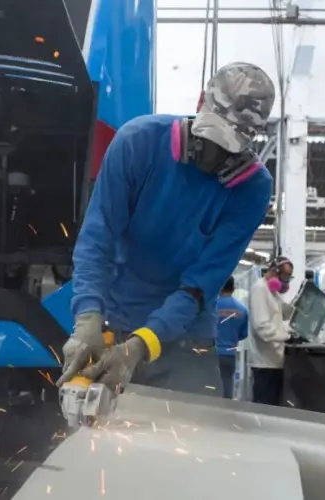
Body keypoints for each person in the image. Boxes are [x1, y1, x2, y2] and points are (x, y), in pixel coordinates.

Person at [55, 62, 275, 395]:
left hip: (188, 334)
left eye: (227, 147)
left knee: (196, 437)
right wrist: (87, 319)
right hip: (115, 318)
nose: (211, 157)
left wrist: (139, 347)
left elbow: (200, 287)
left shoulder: (252, 189)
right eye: (210, 136)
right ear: (200, 102)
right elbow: (96, 241)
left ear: (252, 138)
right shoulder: (138, 143)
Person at [245, 256, 295, 406]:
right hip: (264, 362)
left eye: (289, 278)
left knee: (272, 406)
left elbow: (282, 314)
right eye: (285, 277)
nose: (286, 282)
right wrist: (286, 336)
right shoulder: (260, 289)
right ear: (274, 272)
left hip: (274, 361)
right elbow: (262, 327)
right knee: (264, 407)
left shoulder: (273, 292)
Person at [216, 276, 249, 399]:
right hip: (230, 354)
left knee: (211, 389)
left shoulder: (212, 306)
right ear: (234, 288)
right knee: (227, 388)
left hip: (213, 352)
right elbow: (244, 334)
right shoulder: (242, 309)